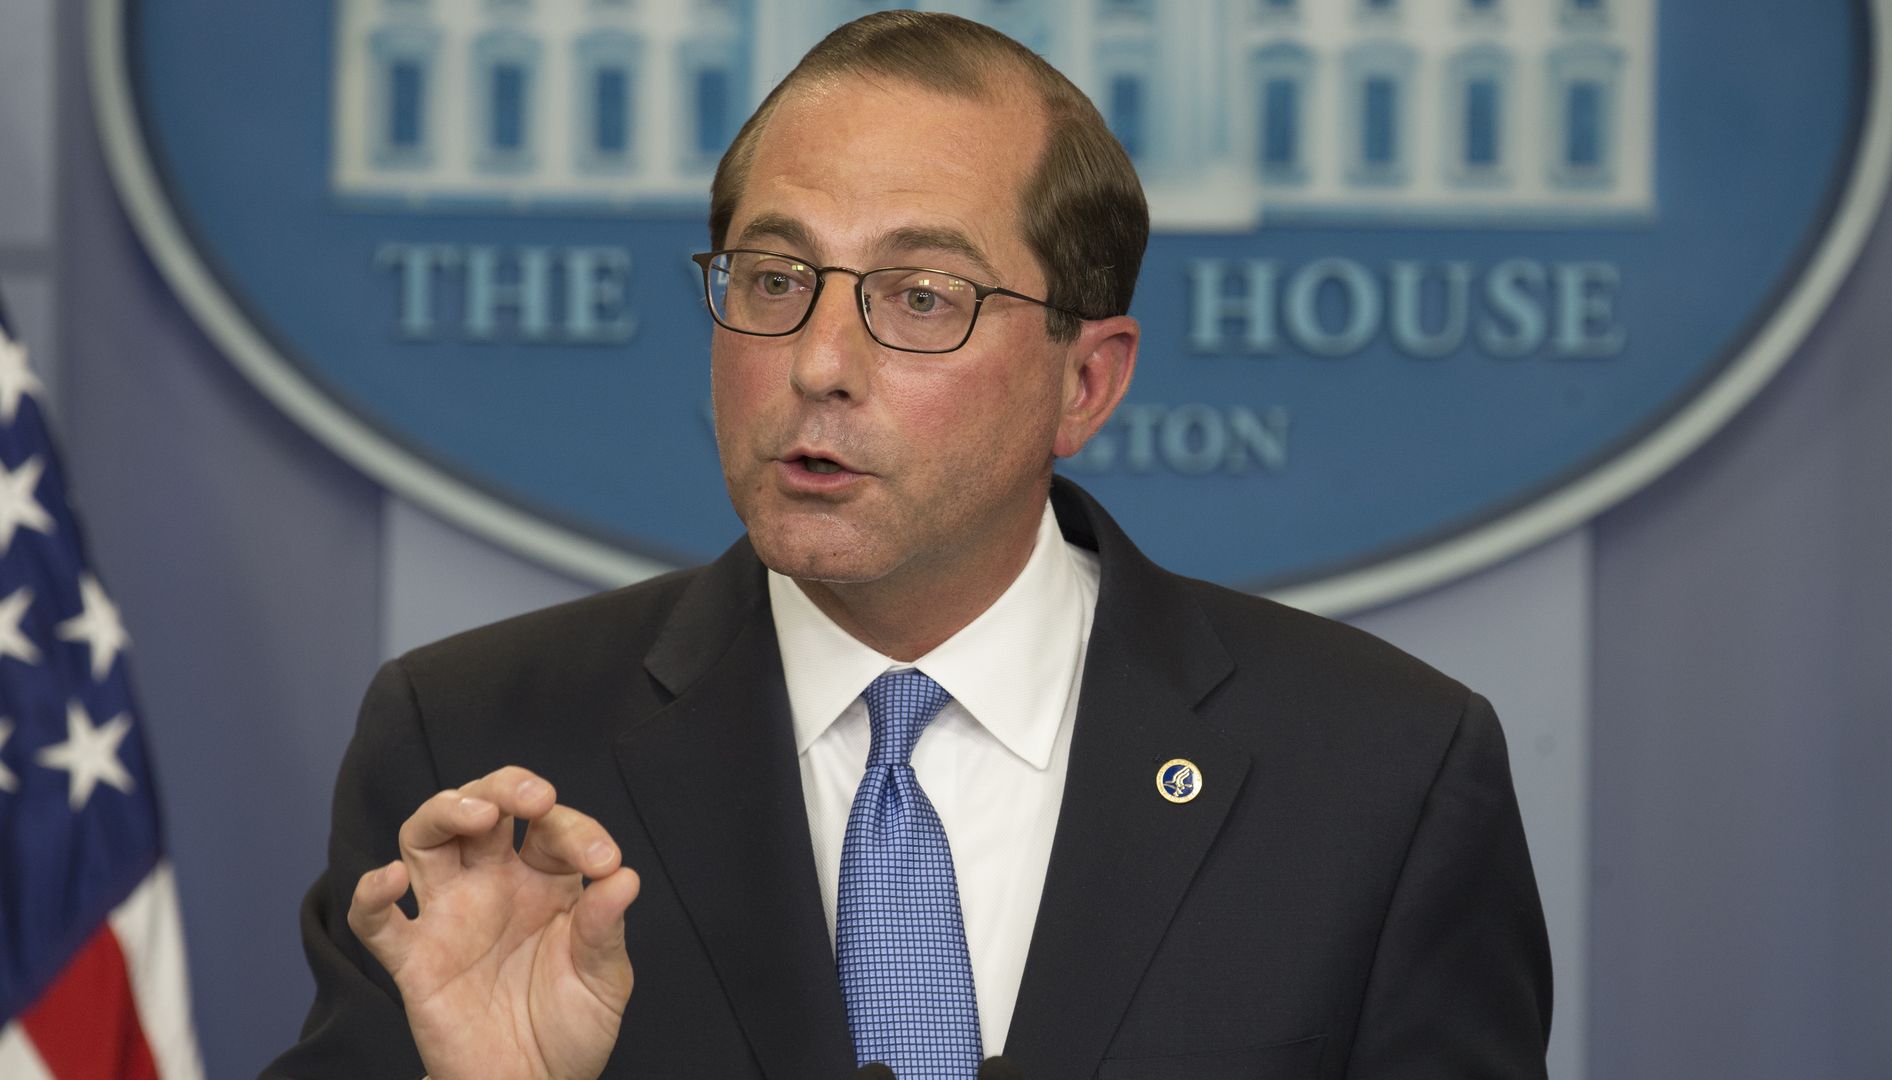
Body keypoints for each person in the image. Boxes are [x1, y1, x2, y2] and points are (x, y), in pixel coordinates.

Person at [266, 11, 1550, 1080]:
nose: (818, 364)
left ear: (1085, 384)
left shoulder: (1382, 777)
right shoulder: (480, 750)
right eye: (774, 280)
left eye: (921, 298)